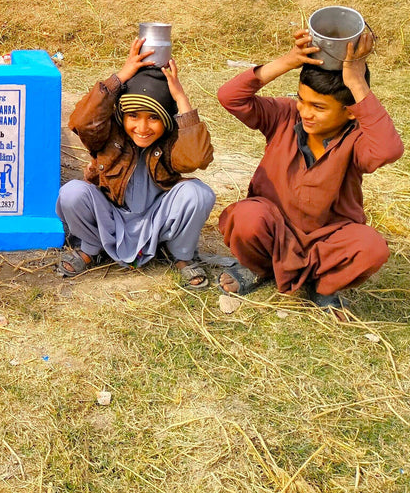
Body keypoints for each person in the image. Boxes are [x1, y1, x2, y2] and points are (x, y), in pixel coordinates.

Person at [217, 29, 403, 315]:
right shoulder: (284, 115)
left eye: (318, 107)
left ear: (350, 111)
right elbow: (230, 97)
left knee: (371, 248)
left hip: (326, 238)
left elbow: (389, 150)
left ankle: (324, 287)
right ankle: (258, 268)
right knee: (246, 217)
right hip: (273, 229)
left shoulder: (356, 139)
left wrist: (356, 83)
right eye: (302, 100)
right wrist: (288, 61)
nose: (305, 112)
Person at [55, 38, 216, 287]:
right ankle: (91, 247)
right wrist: (120, 77)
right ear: (123, 115)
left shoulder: (172, 139)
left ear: (167, 119)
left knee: (199, 193)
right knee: (71, 193)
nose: (142, 128)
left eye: (154, 117)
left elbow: (197, 158)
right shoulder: (109, 134)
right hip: (111, 215)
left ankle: (181, 255)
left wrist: (181, 98)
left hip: (156, 219)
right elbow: (81, 122)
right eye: (133, 116)